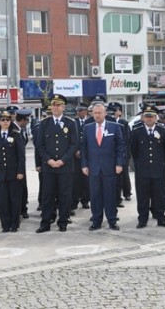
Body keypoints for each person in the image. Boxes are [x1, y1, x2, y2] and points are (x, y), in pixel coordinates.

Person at [35, 94, 78, 233]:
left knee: (64, 196)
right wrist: (49, 160)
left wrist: (62, 160)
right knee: (48, 196)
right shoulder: (44, 123)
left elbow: (73, 145)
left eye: (58, 105)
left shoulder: (71, 123)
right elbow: (40, 145)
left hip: (65, 167)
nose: (55, 107)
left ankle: (63, 222)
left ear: (63, 107)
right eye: (53, 104)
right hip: (49, 167)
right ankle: (45, 222)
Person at [81, 103, 125, 231]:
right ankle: (96, 220)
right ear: (92, 114)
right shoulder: (87, 128)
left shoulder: (115, 127)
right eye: (95, 113)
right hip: (93, 168)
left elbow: (120, 147)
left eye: (100, 112)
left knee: (110, 195)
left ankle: (112, 220)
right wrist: (84, 165)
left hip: (110, 167)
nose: (97, 115)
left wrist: (119, 163)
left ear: (105, 113)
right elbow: (83, 148)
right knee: (95, 196)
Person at [129, 105, 165, 228]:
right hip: (143, 170)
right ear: (143, 118)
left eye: (151, 116)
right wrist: (140, 164)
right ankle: (142, 219)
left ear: (155, 117)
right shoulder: (137, 132)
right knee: (143, 196)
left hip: (158, 169)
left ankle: (161, 218)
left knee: (159, 196)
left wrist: (164, 165)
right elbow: (134, 151)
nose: (149, 119)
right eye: (146, 116)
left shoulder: (163, 131)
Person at [0, 110, 26, 232]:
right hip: (0, 174)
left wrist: (20, 171)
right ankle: (5, 225)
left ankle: (14, 224)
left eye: (7, 120)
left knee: (14, 199)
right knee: (2, 200)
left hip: (13, 173)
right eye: (3, 120)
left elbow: (21, 155)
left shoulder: (16, 134)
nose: (5, 122)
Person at [72, 102, 91, 211]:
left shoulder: (90, 122)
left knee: (86, 179)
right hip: (75, 156)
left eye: (81, 110)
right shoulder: (73, 122)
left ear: (86, 111)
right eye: (78, 111)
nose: (79, 112)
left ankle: (85, 200)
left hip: (88, 155)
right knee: (75, 179)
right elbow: (72, 138)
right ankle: (75, 201)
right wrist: (76, 150)